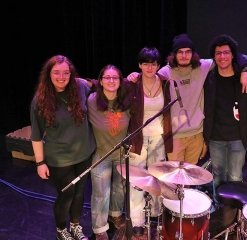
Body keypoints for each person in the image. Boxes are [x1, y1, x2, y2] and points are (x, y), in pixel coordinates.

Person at [127, 33, 247, 165]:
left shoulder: (203, 66)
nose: (184, 55)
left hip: (197, 135)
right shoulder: (165, 72)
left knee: (190, 178)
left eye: (188, 52)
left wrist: (244, 70)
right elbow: (149, 73)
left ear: (193, 53)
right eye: (180, 52)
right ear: (174, 54)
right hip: (175, 136)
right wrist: (134, 76)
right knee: (174, 179)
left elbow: (234, 58)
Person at [30, 55, 96, 240]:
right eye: (56, 72)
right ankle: (61, 230)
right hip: (60, 159)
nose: (61, 77)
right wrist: (40, 163)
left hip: (84, 154)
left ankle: (75, 225)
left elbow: (100, 84)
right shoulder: (40, 100)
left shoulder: (80, 87)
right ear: (48, 74)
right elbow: (36, 136)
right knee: (66, 194)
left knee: (80, 192)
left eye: (66, 73)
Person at [126, 47, 173, 236]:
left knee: (157, 178)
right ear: (139, 65)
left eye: (153, 64)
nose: (149, 67)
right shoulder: (132, 83)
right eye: (145, 64)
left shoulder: (165, 83)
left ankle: (155, 213)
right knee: (137, 180)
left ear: (158, 66)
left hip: (159, 138)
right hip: (138, 138)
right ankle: (136, 219)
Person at [88, 65, 132, 240]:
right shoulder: (92, 100)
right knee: (100, 193)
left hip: (121, 153)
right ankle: (99, 229)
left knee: (119, 189)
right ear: (100, 81)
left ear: (120, 82)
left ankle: (115, 214)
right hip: (101, 154)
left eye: (115, 78)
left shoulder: (126, 101)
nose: (111, 81)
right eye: (107, 78)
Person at [203, 34, 247, 196]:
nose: (222, 56)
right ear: (214, 56)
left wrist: (244, 69)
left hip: (238, 136)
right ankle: (219, 208)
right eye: (218, 53)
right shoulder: (208, 77)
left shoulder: (244, 78)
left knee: (235, 176)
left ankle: (232, 213)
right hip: (215, 136)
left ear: (232, 55)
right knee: (217, 175)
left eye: (226, 52)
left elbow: (245, 59)